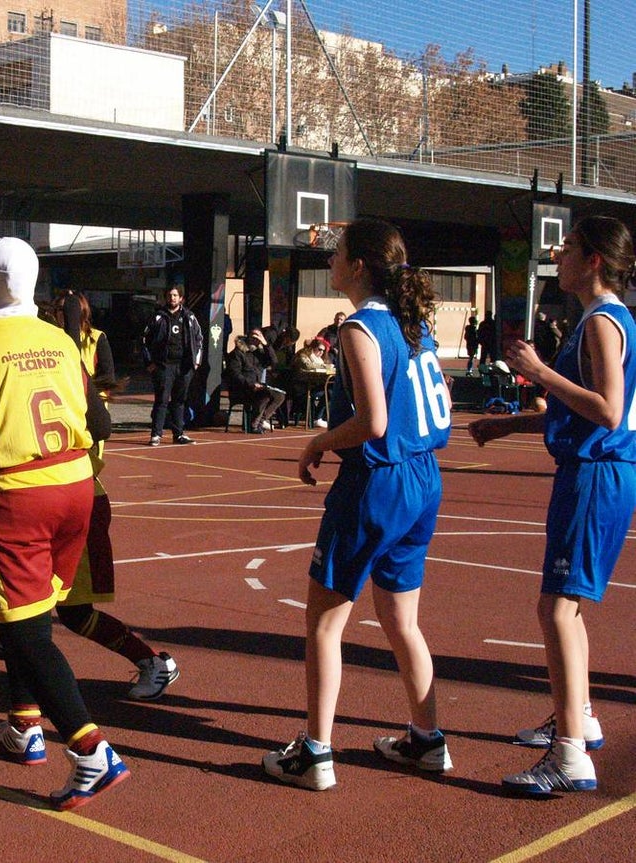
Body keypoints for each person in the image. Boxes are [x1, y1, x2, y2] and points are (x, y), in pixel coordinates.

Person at [0, 237, 128, 811]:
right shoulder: (64, 340)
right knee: (27, 611)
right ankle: (23, 724)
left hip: (17, 493)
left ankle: (92, 752)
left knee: (25, 631)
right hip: (74, 487)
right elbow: (102, 423)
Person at [263, 218, 453, 791]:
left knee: (323, 620)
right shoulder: (412, 321)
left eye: (338, 252)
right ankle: (427, 739)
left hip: (378, 482)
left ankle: (316, 753)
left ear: (361, 265)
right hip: (424, 479)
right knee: (402, 620)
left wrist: (318, 441)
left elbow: (373, 422)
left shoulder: (360, 328)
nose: (331, 259)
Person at [469, 216, 636, 795]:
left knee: (557, 610)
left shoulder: (602, 322)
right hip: (596, 472)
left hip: (596, 474)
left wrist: (539, 372)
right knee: (570, 609)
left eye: (567, 248)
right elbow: (580, 408)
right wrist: (509, 422)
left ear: (593, 260)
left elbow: (608, 410)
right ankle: (579, 716)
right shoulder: (597, 320)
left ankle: (569, 755)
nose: (557, 256)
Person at [53, 290, 181, 699]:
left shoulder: (84, 361)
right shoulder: (42, 356)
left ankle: (150, 662)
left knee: (72, 613)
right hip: (55, 494)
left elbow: (98, 412)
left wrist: (71, 321)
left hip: (82, 494)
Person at [142, 285, 203, 446]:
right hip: (163, 365)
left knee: (179, 400)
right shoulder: (157, 317)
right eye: (170, 295)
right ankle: (156, 434)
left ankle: (179, 433)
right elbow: (144, 340)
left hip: (183, 366)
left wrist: (196, 361)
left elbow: (199, 339)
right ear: (165, 297)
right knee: (161, 400)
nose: (172, 298)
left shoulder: (189, 317)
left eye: (175, 295)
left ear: (181, 298)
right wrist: (149, 362)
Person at [225, 329, 286, 433]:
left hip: (258, 387)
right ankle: (254, 425)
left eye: (258, 339)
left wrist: (266, 344)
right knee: (264, 394)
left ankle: (259, 421)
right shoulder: (237, 353)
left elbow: (274, 361)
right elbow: (235, 375)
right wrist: (251, 384)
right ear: (248, 338)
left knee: (279, 395)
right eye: (253, 338)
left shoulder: (259, 353)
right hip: (242, 389)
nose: (256, 341)